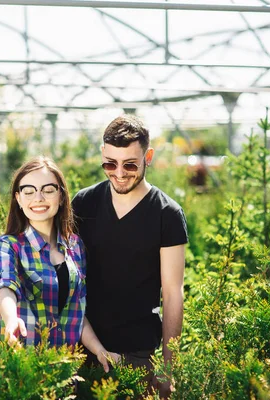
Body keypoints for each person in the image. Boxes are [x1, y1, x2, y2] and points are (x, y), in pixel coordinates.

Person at [72, 115, 188, 397]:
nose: (119, 173)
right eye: (110, 164)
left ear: (148, 156)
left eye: (130, 164)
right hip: (81, 348)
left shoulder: (167, 215)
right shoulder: (83, 204)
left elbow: (173, 294)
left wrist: (167, 369)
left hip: (137, 355)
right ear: (102, 154)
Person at [0, 156, 119, 372]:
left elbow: (77, 310)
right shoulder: (9, 246)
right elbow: (5, 286)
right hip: (16, 368)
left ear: (62, 196)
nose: (38, 198)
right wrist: (10, 319)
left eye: (48, 190)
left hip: (60, 370)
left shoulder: (75, 247)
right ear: (18, 199)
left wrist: (99, 350)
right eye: (28, 191)